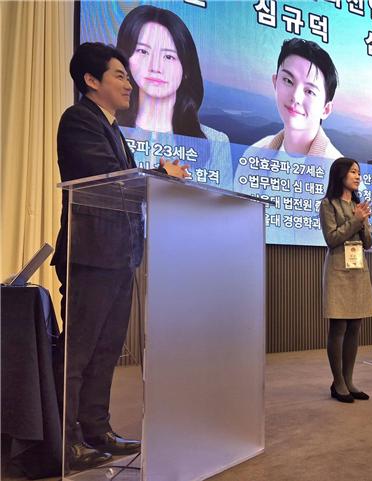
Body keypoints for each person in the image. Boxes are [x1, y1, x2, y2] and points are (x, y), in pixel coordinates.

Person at [51, 42, 188, 471]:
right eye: (119, 75)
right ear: (91, 80)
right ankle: (64, 440)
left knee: (107, 349)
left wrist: (157, 180)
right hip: (91, 254)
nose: (129, 83)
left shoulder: (110, 126)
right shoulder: (78, 120)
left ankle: (96, 429)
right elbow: (106, 179)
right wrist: (160, 175)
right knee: (78, 352)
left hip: (119, 255)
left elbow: (125, 183)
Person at [115, 5, 231, 181]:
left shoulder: (215, 142)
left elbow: (223, 199)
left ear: (186, 68)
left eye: (168, 56)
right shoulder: (111, 132)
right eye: (143, 51)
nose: (155, 67)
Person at [320, 158, 372, 403]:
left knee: (355, 326)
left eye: (359, 172)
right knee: (339, 326)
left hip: (358, 270)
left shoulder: (357, 205)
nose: (357, 176)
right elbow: (332, 238)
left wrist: (362, 220)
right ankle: (338, 382)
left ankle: (349, 380)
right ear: (340, 174)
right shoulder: (328, 204)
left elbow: (369, 242)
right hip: (338, 270)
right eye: (353, 172)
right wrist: (356, 219)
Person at [250, 38, 341, 159]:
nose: (295, 97)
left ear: (326, 110)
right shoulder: (254, 153)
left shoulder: (339, 168)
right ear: (275, 82)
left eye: (309, 91)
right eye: (288, 81)